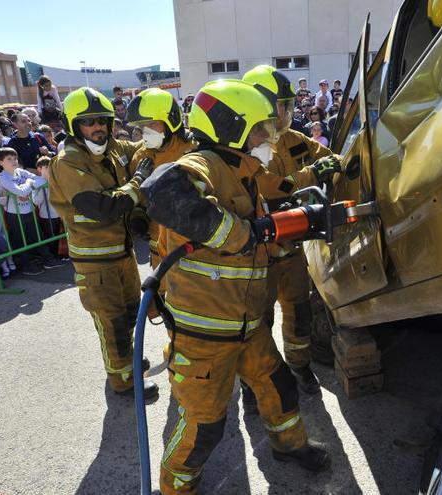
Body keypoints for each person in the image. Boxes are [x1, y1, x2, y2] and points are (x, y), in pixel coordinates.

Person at [142, 79, 330, 494]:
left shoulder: (243, 172)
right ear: (233, 128)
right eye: (261, 129)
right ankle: (176, 487)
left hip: (245, 324)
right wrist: (241, 234)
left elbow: (254, 238)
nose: (269, 137)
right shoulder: (203, 163)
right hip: (205, 333)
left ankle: (288, 445)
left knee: (278, 386)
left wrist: (291, 226)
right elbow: (161, 189)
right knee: (204, 427)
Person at [47, 87, 159, 401]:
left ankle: (129, 362)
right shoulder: (68, 162)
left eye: (103, 120)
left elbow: (144, 147)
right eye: (88, 121)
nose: (98, 126)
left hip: (121, 254)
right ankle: (122, 379)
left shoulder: (111, 147)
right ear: (73, 125)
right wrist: (138, 183)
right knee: (110, 321)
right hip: (95, 261)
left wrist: (164, 128)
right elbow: (102, 208)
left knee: (128, 313)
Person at [242, 65, 341, 400]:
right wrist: (311, 175)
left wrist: (341, 164)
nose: (284, 112)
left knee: (298, 312)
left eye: (286, 104)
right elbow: (269, 189)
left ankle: (300, 366)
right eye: (277, 105)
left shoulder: (293, 139)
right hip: (258, 255)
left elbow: (329, 160)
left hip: (293, 251)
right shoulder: (244, 146)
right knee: (258, 322)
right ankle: (255, 384)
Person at [125, 88, 196, 268]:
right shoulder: (141, 156)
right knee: (159, 292)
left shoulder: (192, 148)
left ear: (171, 120)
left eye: (151, 124)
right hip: (157, 244)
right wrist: (138, 215)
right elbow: (140, 198)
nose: (145, 131)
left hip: (190, 243)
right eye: (141, 126)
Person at [0, 147, 63, 275]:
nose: (14, 161)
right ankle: (26, 266)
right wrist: (29, 184)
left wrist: (28, 184)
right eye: (9, 159)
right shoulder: (3, 178)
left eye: (15, 158)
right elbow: (21, 191)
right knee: (20, 240)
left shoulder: (20, 171)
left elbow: (40, 179)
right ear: (0, 162)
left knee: (38, 236)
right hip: (15, 214)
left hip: (29, 210)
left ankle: (49, 260)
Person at [32, 156, 63, 259]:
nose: (50, 169)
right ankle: (51, 258)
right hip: (46, 215)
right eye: (46, 167)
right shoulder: (37, 183)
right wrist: (42, 187)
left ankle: (56, 255)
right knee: (49, 237)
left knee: (57, 236)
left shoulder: (56, 180)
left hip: (58, 213)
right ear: (39, 169)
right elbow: (36, 201)